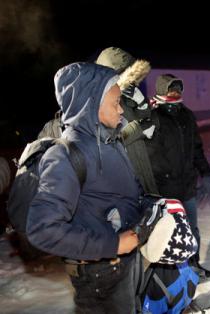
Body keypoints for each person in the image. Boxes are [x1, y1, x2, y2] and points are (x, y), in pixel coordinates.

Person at [26, 62, 143, 314]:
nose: (121, 110)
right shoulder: (65, 156)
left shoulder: (110, 141)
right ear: (91, 104)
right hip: (99, 278)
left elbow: (121, 195)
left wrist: (152, 208)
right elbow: (42, 230)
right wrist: (112, 245)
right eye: (115, 103)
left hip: (124, 267)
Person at [147, 74, 210, 276]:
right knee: (170, 233)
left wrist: (205, 172)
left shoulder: (187, 115)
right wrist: (158, 181)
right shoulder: (154, 117)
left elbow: (196, 146)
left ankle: (193, 265)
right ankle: (172, 273)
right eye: (171, 89)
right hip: (165, 189)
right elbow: (149, 155)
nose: (175, 93)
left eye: (178, 89)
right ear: (161, 91)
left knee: (192, 229)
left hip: (187, 186)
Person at [96, 47, 159, 195]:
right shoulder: (100, 104)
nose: (128, 78)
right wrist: (138, 129)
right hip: (122, 185)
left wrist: (142, 103)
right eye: (123, 74)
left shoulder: (125, 96)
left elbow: (147, 123)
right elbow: (108, 142)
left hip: (142, 173)